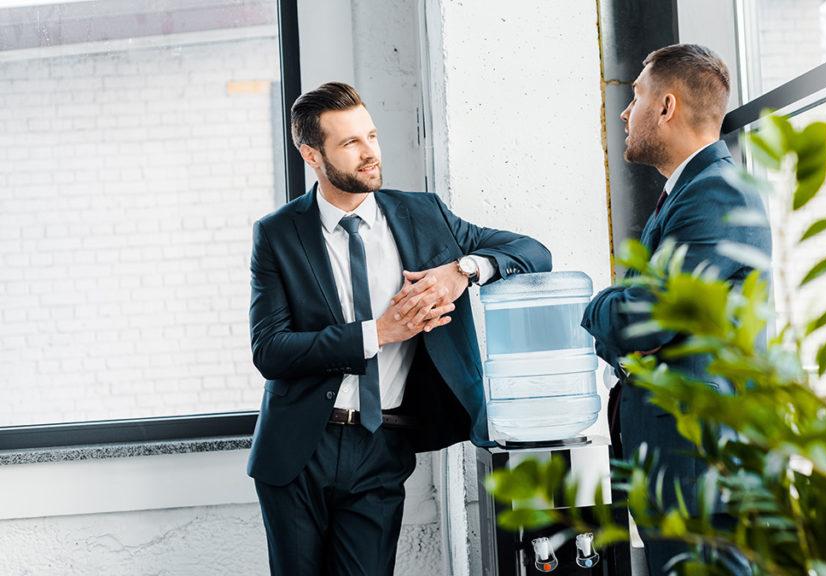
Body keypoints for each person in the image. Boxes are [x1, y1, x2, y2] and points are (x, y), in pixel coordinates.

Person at [247, 81, 551, 576]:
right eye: (350, 143)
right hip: (299, 448)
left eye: (371, 135)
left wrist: (463, 271)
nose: (370, 153)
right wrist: (379, 333)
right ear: (311, 155)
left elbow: (533, 253)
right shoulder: (278, 233)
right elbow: (270, 350)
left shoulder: (424, 215)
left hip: (382, 444)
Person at [581, 44, 770, 574]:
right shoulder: (691, 192)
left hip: (698, 460)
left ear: (666, 106)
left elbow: (643, 320)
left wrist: (597, 304)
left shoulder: (717, 195)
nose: (624, 111)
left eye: (635, 96)